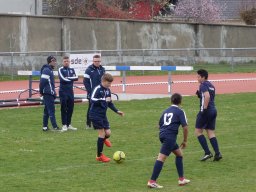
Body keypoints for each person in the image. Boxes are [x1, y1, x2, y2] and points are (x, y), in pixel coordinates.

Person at [147, 93, 190, 189]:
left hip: (163, 135)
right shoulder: (180, 111)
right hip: (169, 137)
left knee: (179, 154)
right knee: (161, 158)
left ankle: (181, 179)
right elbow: (185, 127)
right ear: (181, 101)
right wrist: (185, 140)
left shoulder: (165, 111)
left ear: (171, 101)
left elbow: (159, 125)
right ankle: (152, 181)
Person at [89, 73, 124, 163]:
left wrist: (117, 111)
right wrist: (102, 100)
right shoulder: (97, 89)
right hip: (95, 114)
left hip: (103, 115)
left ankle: (103, 140)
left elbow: (109, 103)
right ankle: (99, 156)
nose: (110, 85)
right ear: (103, 81)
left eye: (110, 83)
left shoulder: (108, 90)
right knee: (102, 134)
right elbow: (92, 99)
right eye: (108, 83)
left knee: (108, 133)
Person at [195, 69, 222, 161]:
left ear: (203, 77)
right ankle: (217, 153)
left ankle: (207, 152)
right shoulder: (211, 85)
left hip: (206, 111)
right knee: (210, 132)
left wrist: (204, 109)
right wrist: (200, 96)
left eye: (198, 76)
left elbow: (207, 96)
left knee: (198, 132)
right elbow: (210, 97)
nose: (197, 78)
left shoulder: (202, 85)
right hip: (213, 110)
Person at [83, 55, 105, 129]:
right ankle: (88, 124)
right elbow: (85, 82)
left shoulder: (102, 69)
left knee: (102, 108)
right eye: (95, 61)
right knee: (91, 109)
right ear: (93, 61)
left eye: (98, 61)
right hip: (92, 93)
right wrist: (90, 92)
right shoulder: (88, 70)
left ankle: (100, 123)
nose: (97, 63)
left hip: (101, 93)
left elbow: (104, 81)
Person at [39, 55, 60, 131]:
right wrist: (41, 91)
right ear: (50, 61)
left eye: (55, 61)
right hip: (48, 94)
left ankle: (44, 127)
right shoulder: (47, 70)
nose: (55, 62)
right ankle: (55, 127)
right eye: (53, 61)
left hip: (49, 93)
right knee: (51, 110)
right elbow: (42, 82)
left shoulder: (49, 70)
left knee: (47, 111)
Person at [58, 56, 79, 131]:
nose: (66, 62)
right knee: (64, 108)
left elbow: (76, 78)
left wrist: (68, 77)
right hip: (63, 92)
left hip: (70, 92)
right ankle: (64, 125)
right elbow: (63, 79)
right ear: (62, 62)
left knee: (71, 108)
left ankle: (68, 124)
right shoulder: (60, 69)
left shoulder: (72, 69)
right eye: (65, 61)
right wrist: (70, 78)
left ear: (69, 62)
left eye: (67, 61)